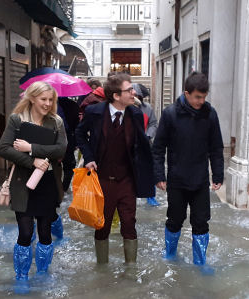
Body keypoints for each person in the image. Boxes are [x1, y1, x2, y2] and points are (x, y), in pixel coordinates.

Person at [75, 73, 154, 264]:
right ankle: (102, 269)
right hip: (101, 179)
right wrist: (89, 157)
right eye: (129, 90)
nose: (134, 92)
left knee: (129, 224)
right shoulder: (94, 112)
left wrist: (153, 173)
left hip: (127, 180)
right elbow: (78, 133)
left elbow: (141, 146)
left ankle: (131, 272)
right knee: (102, 226)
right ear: (116, 96)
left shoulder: (135, 114)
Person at [0, 81, 67, 293]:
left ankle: (42, 273)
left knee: (45, 232)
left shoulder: (55, 122)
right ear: (32, 98)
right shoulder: (17, 120)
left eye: (50, 100)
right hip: (22, 183)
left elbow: (61, 149)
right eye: (43, 99)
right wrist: (32, 161)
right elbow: (4, 149)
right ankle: (21, 277)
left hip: (47, 183)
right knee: (26, 232)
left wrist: (32, 148)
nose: (47, 104)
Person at [152, 72, 224, 273]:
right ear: (186, 93)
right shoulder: (170, 114)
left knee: (201, 222)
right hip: (176, 180)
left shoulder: (210, 114)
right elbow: (158, 148)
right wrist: (159, 175)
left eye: (204, 97)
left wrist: (217, 175)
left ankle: (200, 264)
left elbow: (216, 147)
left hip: (200, 180)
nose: (201, 101)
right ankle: (170, 255)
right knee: (175, 220)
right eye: (197, 97)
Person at [133, 83, 159, 206]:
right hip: (129, 146)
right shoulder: (123, 108)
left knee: (149, 170)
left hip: (146, 144)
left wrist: (147, 135)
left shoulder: (147, 108)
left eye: (137, 95)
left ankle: (150, 196)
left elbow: (153, 123)